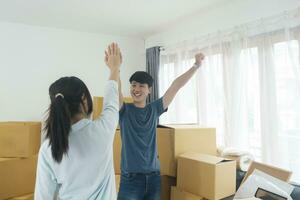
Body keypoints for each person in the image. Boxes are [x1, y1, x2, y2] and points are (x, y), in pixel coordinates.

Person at [35, 43, 122, 200]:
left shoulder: (48, 148)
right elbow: (112, 100)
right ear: (84, 99)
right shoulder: (103, 130)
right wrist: (114, 68)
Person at [117, 53, 205, 200]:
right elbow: (117, 91)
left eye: (141, 86)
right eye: (133, 85)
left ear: (149, 90)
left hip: (153, 177)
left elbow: (175, 87)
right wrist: (116, 69)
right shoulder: (124, 110)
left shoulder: (154, 109)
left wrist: (196, 66)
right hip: (130, 179)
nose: (136, 89)